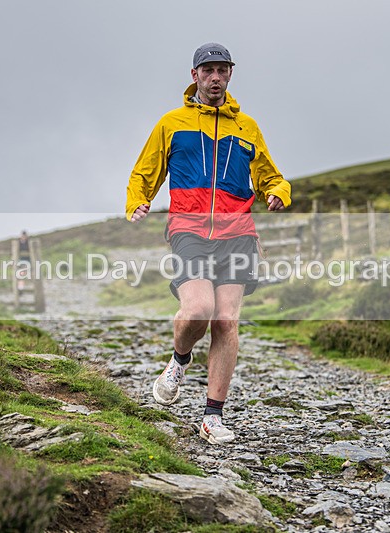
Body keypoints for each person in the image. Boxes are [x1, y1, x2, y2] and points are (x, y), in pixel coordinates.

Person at [126, 43, 291, 445]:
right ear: (195, 75)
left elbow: (269, 173)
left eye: (222, 70)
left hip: (238, 233)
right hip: (189, 228)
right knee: (198, 310)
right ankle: (180, 360)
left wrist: (277, 191)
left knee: (226, 321)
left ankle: (212, 416)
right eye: (208, 70)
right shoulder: (172, 122)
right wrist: (138, 199)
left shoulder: (247, 127)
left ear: (230, 74)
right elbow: (145, 170)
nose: (215, 77)